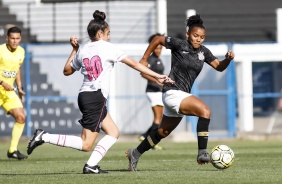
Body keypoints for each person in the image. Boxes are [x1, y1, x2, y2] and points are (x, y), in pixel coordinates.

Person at [26, 10, 173, 174]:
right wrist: (158, 76)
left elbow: (67, 71)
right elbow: (134, 64)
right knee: (86, 144)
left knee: (113, 133)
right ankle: (44, 136)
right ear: (100, 33)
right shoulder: (108, 48)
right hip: (95, 97)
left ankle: (91, 165)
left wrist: (74, 50)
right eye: (108, 33)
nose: (109, 37)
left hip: (86, 95)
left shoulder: (83, 49)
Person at [126, 14, 235, 171]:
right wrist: (144, 58)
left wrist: (228, 60)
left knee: (162, 133)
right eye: (195, 35)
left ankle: (134, 153)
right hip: (172, 92)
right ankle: (202, 152)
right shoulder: (179, 44)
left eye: (202, 37)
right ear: (187, 34)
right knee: (205, 111)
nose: (198, 39)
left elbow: (218, 66)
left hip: (180, 96)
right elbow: (157, 39)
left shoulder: (204, 52)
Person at [0, 26, 28, 160]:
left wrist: (20, 87)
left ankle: (12, 150)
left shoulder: (21, 52)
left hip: (9, 92)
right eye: (12, 38)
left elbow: (16, 70)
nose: (15, 41)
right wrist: (2, 83)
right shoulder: (0, 50)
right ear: (7, 38)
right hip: (1, 87)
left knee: (21, 117)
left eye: (17, 38)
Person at [138, 33, 165, 150]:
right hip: (152, 91)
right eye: (157, 47)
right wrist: (156, 81)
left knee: (160, 118)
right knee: (158, 118)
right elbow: (142, 73)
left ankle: (145, 137)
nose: (159, 50)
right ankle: (151, 142)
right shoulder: (151, 59)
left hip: (158, 91)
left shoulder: (158, 59)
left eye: (160, 47)